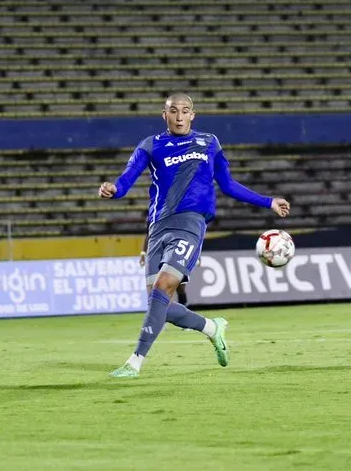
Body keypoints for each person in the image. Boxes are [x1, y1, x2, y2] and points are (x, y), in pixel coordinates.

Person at [99, 94, 290, 377]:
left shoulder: (209, 142)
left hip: (190, 224)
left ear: (193, 115)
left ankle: (134, 362)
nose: (179, 116)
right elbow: (126, 180)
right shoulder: (150, 145)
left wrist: (268, 201)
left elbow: (227, 184)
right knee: (159, 305)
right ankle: (212, 328)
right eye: (173, 111)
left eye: (184, 111)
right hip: (158, 228)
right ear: (164, 115)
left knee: (164, 286)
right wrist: (113, 189)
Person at [140, 225, 189, 306]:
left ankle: (184, 307)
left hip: (177, 251)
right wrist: (143, 253)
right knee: (160, 283)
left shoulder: (180, 217)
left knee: (180, 284)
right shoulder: (156, 216)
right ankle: (161, 308)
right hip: (160, 253)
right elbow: (149, 234)